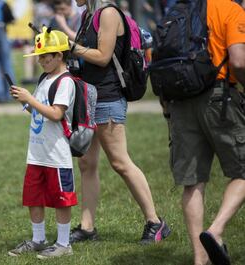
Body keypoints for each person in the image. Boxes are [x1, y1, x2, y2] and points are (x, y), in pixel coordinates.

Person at [68, 0, 170, 244]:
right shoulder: (88, 16)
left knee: (120, 162)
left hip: (108, 97)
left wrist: (70, 46)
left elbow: (103, 57)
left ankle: (156, 222)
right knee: (86, 164)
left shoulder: (109, 13)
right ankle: (87, 227)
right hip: (89, 97)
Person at [164, 1, 245, 264]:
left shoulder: (179, 10)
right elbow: (239, 60)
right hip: (218, 98)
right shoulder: (230, 10)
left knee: (193, 181)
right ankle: (216, 230)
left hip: (181, 99)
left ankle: (200, 260)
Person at [7, 27, 77, 259]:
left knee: (61, 199)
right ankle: (38, 239)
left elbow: (56, 114)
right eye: (40, 57)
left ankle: (64, 244)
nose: (42, 61)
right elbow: (39, 112)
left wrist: (30, 99)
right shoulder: (45, 78)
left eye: (47, 56)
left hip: (57, 154)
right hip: (36, 152)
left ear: (60, 55)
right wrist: (25, 102)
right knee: (33, 197)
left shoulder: (65, 82)